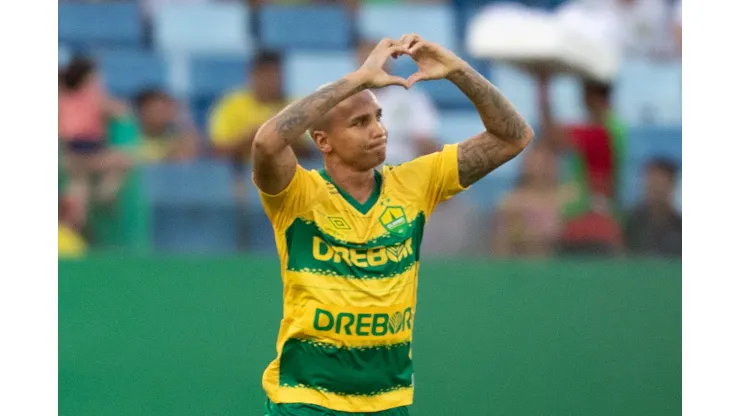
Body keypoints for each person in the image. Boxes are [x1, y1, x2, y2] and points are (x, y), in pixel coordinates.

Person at [252, 35, 533, 415]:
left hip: (388, 402)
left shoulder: (414, 183)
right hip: (306, 400)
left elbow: (514, 137)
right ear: (323, 141)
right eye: (360, 122)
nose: (378, 130)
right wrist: (358, 79)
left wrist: (459, 72)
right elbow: (267, 144)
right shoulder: (297, 194)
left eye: (379, 118)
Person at [536, 72, 626, 256]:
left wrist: (543, 88)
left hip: (591, 218)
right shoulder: (616, 127)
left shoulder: (601, 131)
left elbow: (552, 134)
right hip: (594, 213)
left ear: (589, 96)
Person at [58, 57, 133, 227]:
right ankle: (105, 194)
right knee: (124, 160)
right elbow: (122, 112)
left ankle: (74, 229)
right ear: (86, 78)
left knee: (78, 195)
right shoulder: (93, 97)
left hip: (70, 156)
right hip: (87, 151)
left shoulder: (63, 99)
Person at [355, 38, 441, 165]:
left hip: (403, 170)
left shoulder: (410, 97)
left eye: (381, 58)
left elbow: (426, 139)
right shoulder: (346, 100)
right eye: (368, 59)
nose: (375, 65)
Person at [492, 144, 562, 258]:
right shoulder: (510, 202)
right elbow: (500, 244)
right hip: (518, 265)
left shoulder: (566, 198)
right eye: (533, 163)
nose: (537, 168)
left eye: (543, 163)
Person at [624, 158, 681, 258]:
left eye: (661, 185)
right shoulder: (631, 223)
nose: (656, 190)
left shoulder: (680, 227)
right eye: (652, 184)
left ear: (672, 185)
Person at [135, 88, 199, 163]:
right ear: (143, 111)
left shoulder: (178, 137)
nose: (163, 114)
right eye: (157, 110)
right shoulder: (128, 137)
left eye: (166, 109)